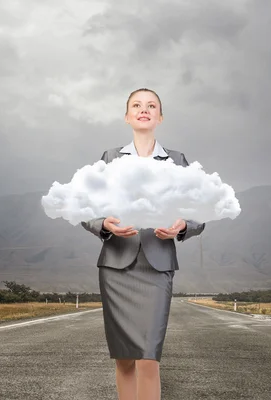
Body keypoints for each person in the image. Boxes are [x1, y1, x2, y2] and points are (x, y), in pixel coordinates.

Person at [81, 88, 205, 400]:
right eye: (136, 105)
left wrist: (182, 226)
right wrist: (104, 224)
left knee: (149, 357)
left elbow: (200, 212)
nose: (144, 109)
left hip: (158, 266)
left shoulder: (178, 161)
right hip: (116, 268)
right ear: (127, 116)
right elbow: (83, 208)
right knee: (124, 357)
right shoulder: (109, 159)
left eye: (151, 106)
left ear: (160, 117)